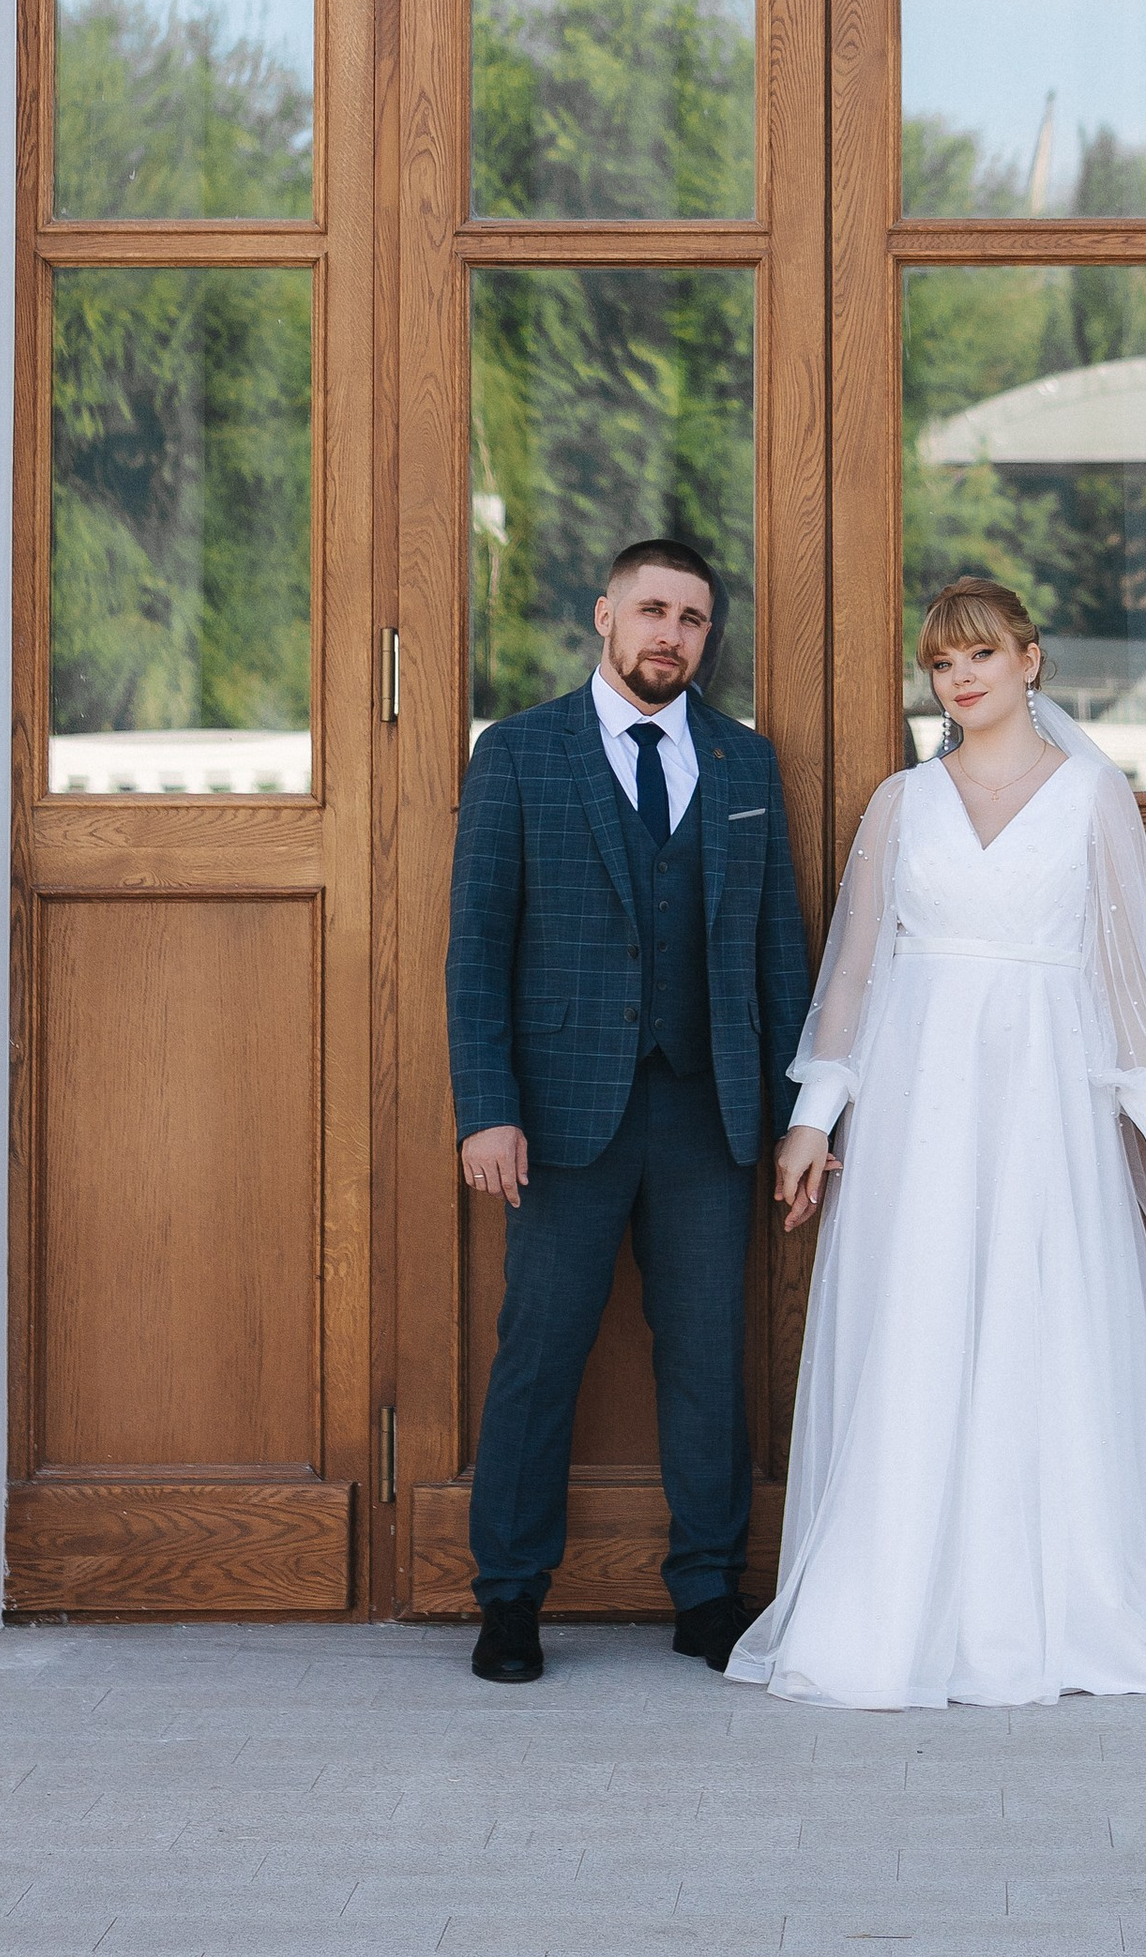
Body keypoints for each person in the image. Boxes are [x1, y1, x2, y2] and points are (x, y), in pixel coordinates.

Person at [727, 575, 1146, 1710]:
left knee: (1039, 1322)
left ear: (1031, 659)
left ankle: (1055, 1603)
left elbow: (1124, 976)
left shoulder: (1091, 797)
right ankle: (891, 1603)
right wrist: (812, 1119)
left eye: (979, 653)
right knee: (918, 1319)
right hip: (920, 1097)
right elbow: (857, 972)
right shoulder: (900, 802)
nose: (959, 675)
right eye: (939, 662)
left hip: (1041, 1098)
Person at [447, 535, 812, 1684]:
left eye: (693, 618)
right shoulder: (517, 753)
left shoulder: (747, 765)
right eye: (651, 609)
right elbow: (477, 948)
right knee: (538, 1354)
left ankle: (708, 1588)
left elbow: (779, 953)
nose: (670, 634)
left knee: (708, 1357)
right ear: (603, 614)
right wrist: (486, 1107)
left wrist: (802, 1118)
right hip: (559, 1116)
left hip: (710, 1112)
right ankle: (509, 1596)